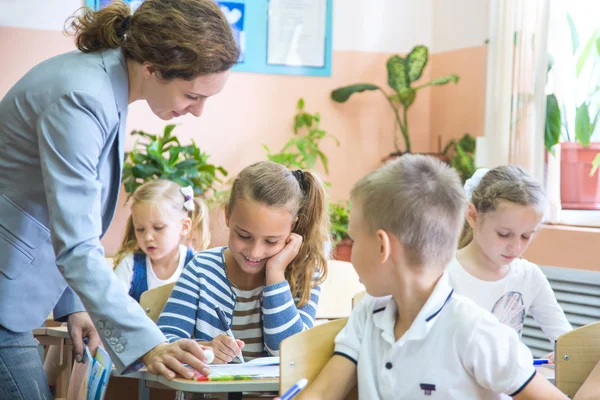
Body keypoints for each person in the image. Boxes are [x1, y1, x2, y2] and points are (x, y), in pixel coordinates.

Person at [0, 0, 238, 397]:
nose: (197, 111)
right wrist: (150, 343)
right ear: (151, 68)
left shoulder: (103, 82)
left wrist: (73, 303)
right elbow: (77, 244)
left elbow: (67, 214)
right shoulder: (82, 98)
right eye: (193, 95)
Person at [290, 155, 566, 399]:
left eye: (353, 238)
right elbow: (324, 392)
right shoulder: (368, 315)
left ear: (382, 247)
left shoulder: (476, 331)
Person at [157, 161, 330, 363]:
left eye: (271, 241)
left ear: (293, 227)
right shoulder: (202, 269)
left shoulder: (305, 273)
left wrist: (275, 274)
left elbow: (290, 355)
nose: (255, 252)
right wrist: (206, 350)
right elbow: (164, 342)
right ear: (228, 215)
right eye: (244, 236)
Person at [449, 166, 572, 362]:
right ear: (472, 216)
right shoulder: (443, 275)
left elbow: (566, 342)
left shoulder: (529, 276)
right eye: (504, 234)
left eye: (526, 236)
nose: (515, 248)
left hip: (508, 391)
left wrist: (565, 355)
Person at [113, 180, 211, 301]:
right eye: (140, 229)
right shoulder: (130, 266)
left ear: (184, 227)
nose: (148, 237)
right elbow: (111, 306)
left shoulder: (197, 267)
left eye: (158, 228)